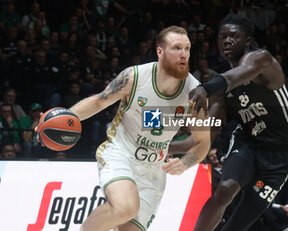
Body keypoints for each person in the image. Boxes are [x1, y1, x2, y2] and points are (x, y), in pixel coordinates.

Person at [37, 26, 210, 231]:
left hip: (153, 170)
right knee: (125, 208)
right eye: (177, 48)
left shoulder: (195, 93)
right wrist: (62, 117)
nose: (184, 54)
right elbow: (98, 102)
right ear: (160, 52)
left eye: (187, 48)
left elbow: (202, 143)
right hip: (121, 153)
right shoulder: (134, 77)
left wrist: (186, 162)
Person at [189, 14, 288, 231]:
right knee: (226, 189)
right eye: (223, 36)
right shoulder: (222, 87)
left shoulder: (261, 59)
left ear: (247, 41)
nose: (227, 40)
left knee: (238, 223)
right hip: (247, 144)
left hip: (279, 156)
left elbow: (233, 78)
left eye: (234, 36)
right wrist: (164, 143)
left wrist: (205, 88)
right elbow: (206, 132)